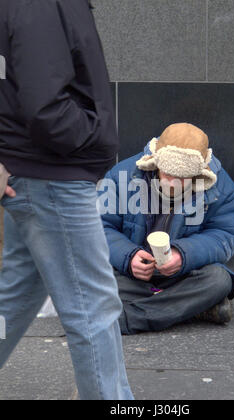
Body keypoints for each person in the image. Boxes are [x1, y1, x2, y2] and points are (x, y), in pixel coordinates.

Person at [0, 0, 133, 400]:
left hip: (36, 170)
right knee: (94, 307)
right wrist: (94, 141)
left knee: (16, 294)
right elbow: (45, 106)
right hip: (51, 174)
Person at [99, 123, 234, 335]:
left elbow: (226, 235)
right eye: (167, 174)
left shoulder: (221, 186)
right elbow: (99, 226)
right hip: (131, 275)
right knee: (85, 279)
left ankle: (129, 318)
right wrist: (128, 257)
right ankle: (190, 308)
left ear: (200, 172)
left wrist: (183, 255)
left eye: (183, 177)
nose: (173, 182)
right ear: (154, 162)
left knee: (218, 280)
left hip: (184, 274)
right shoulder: (122, 175)